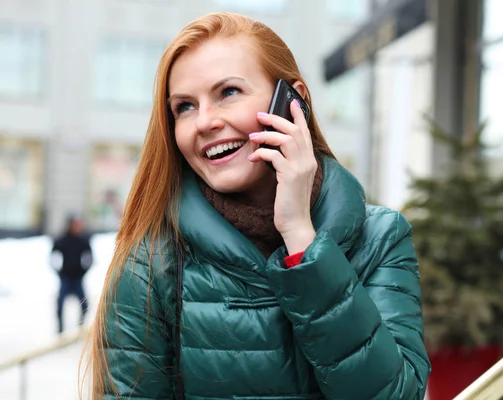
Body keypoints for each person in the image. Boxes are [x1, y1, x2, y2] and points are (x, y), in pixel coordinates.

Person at [86, 12, 430, 400]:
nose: (203, 122)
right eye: (184, 106)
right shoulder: (153, 262)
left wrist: (301, 238)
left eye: (228, 92)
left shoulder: (381, 238)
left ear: (294, 102)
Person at [50, 215, 92, 333]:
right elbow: (53, 256)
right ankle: (60, 329)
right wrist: (58, 272)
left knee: (85, 304)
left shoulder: (82, 240)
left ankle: (80, 327)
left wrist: (84, 271)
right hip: (65, 277)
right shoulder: (62, 240)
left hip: (78, 277)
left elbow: (90, 257)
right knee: (60, 302)